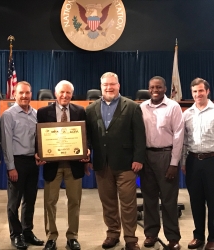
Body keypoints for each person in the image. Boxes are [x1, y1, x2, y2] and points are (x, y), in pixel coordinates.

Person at [85, 72, 146, 250]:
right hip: (102, 165)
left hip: (126, 164)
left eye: (112, 84)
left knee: (128, 204)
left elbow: (140, 136)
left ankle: (130, 239)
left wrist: (138, 158)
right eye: (105, 85)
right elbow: (87, 136)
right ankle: (112, 234)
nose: (109, 88)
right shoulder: (91, 109)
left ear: (118, 85)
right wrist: (87, 154)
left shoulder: (133, 107)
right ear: (101, 86)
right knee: (108, 203)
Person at [36, 80, 90, 250]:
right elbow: (38, 136)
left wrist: (87, 151)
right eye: (62, 92)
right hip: (52, 165)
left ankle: (72, 237)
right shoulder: (43, 112)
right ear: (55, 93)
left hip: (74, 165)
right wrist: (39, 152)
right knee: (50, 203)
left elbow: (85, 136)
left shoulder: (80, 111)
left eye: (68, 92)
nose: (65, 96)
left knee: (74, 201)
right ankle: (51, 237)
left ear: (72, 94)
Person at [140, 76, 184, 250]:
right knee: (149, 199)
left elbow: (179, 136)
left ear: (165, 88)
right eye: (152, 87)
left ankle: (173, 237)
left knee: (168, 200)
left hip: (166, 156)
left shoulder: (173, 107)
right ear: (148, 89)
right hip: (146, 156)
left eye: (158, 87)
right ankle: (151, 234)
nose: (155, 90)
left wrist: (174, 163)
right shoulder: (142, 107)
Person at [0, 81, 44, 250]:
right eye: (21, 93)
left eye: (27, 93)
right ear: (15, 94)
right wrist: (11, 167)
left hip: (32, 162)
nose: (25, 96)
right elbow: (6, 144)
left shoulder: (35, 114)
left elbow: (39, 139)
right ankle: (16, 234)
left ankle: (27, 231)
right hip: (16, 162)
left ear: (31, 94)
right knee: (14, 202)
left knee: (30, 200)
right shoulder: (8, 115)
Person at [181, 78, 214, 250]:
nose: (197, 94)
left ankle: (212, 238)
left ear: (207, 91)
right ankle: (198, 236)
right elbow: (184, 142)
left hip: (212, 161)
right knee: (196, 201)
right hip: (193, 161)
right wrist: (183, 162)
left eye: (201, 91)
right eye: (194, 91)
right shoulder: (186, 114)